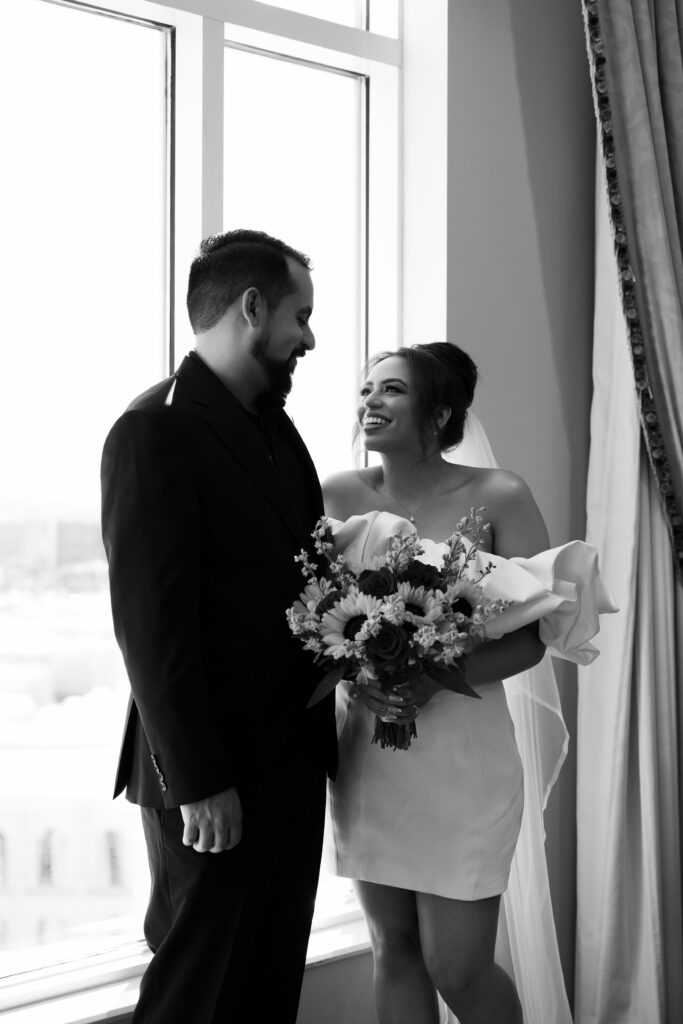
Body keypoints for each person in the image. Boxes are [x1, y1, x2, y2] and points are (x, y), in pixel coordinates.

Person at [321, 342, 607, 1024]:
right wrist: (358, 679)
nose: (369, 402)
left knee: (458, 966)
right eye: (365, 390)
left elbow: (535, 638)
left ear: (439, 411)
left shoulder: (498, 494)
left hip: (463, 761)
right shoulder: (334, 494)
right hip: (368, 752)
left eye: (389, 390)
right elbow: (317, 620)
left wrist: (434, 681)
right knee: (391, 949)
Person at [101, 229, 337, 1024]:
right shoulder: (153, 431)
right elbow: (150, 630)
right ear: (250, 307)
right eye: (298, 315)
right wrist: (200, 782)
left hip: (291, 766)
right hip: (209, 776)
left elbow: (308, 586)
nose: (307, 336)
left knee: (266, 988)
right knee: (197, 998)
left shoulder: (282, 433)